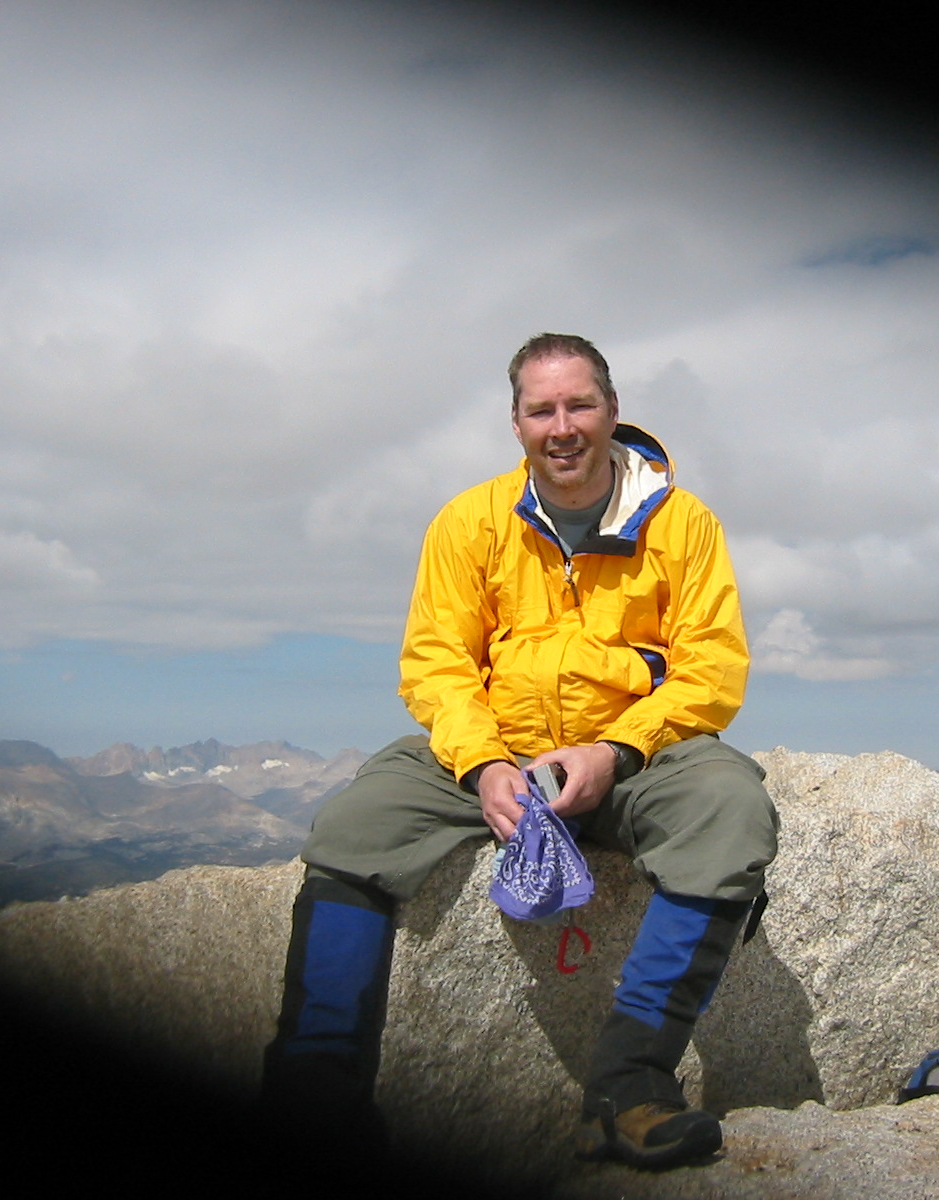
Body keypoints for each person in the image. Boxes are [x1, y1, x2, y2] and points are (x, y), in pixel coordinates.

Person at [262, 332, 778, 1170]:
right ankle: (315, 1096)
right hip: (494, 752)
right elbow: (437, 664)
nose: (562, 426)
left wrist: (620, 748)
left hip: (631, 757)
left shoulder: (682, 525)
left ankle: (629, 1087)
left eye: (580, 405)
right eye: (542, 410)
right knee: (356, 823)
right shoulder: (470, 522)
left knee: (730, 808)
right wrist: (483, 764)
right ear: (516, 423)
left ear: (613, 412)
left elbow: (711, 671)